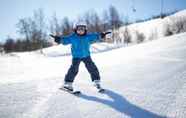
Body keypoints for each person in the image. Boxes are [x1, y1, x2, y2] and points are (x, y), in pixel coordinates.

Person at [50, 22, 110, 91]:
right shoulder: (73, 37)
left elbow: (96, 36)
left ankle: (96, 81)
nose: (81, 31)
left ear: (85, 30)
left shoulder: (88, 36)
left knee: (92, 68)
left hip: (86, 56)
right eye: (79, 29)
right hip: (76, 57)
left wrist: (102, 35)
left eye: (83, 29)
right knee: (73, 69)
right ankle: (67, 83)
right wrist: (59, 39)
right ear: (76, 30)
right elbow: (65, 40)